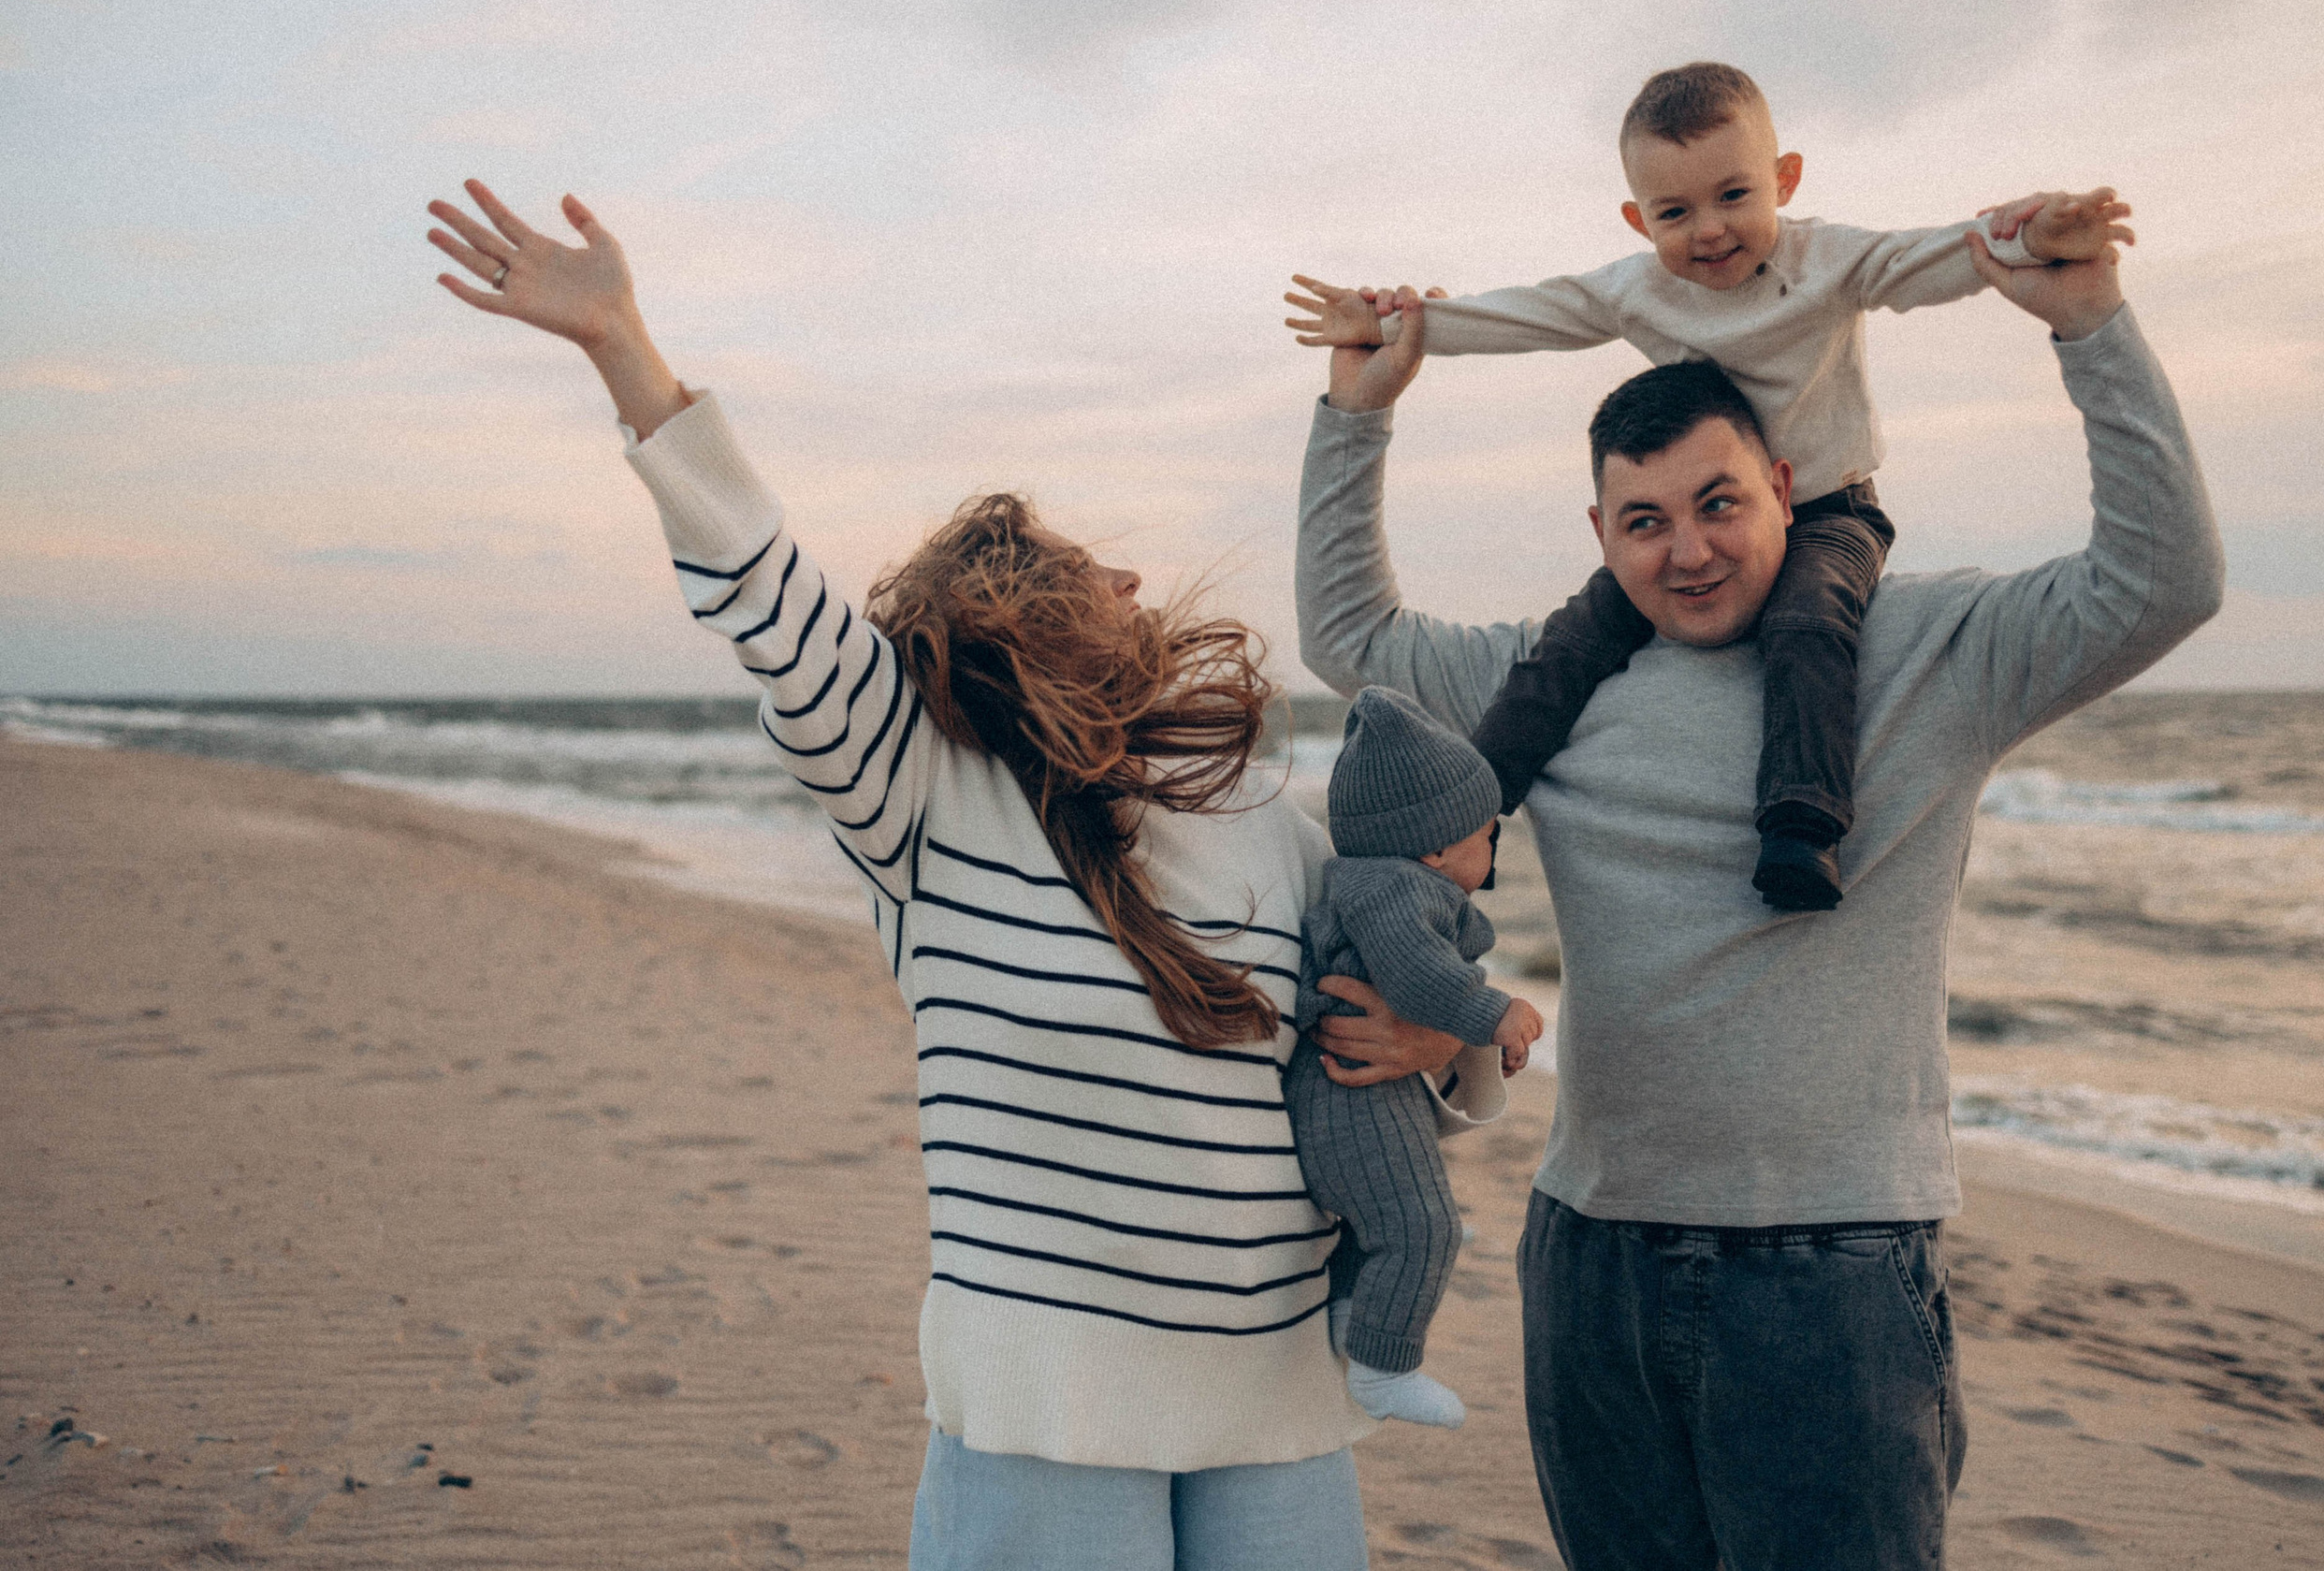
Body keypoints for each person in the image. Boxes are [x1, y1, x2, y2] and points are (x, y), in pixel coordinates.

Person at [423, 179, 1507, 1571]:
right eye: (1081, 569)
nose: (1129, 579)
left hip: (1277, 1393)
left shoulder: (1259, 813)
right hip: (1044, 1397)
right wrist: (624, 350)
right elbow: (773, 605)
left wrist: (1450, 1051)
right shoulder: (922, 799)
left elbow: (1397, 1041)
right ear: (1015, 619)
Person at [1294, 240, 2221, 1564]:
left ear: (1786, 486)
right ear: (1602, 534)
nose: (1688, 552)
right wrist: (1360, 411)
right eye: (1645, 521)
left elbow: (2164, 581)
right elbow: (1348, 634)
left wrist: (2091, 325)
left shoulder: (1928, 650)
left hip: (1833, 1270)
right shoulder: (1541, 681)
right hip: (1592, 1255)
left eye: (1720, 502)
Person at [1285, 61, 2135, 910]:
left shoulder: (1829, 262)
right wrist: (1399, 324)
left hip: (1831, 511)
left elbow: (1934, 256)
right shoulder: (1637, 290)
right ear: (1636, 218)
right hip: (1702, 517)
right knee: (1567, 647)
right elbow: (1533, 314)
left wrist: (2032, 237)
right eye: (1675, 212)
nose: (1710, 231)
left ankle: (1803, 824)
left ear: (1785, 179)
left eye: (1734, 196)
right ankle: (1476, 815)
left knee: (1808, 621)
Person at [1287, 686, 1542, 1430]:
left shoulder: (1382, 882)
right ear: (1434, 843)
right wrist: (1494, 1012)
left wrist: (1471, 1038)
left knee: (1378, 1224)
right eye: (1486, 835)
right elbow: (1417, 975)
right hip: (1351, 1092)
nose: (1494, 851)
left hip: (1359, 1089)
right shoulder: (1396, 890)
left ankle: (1349, 1319)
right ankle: (1384, 1366)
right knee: (1424, 1225)